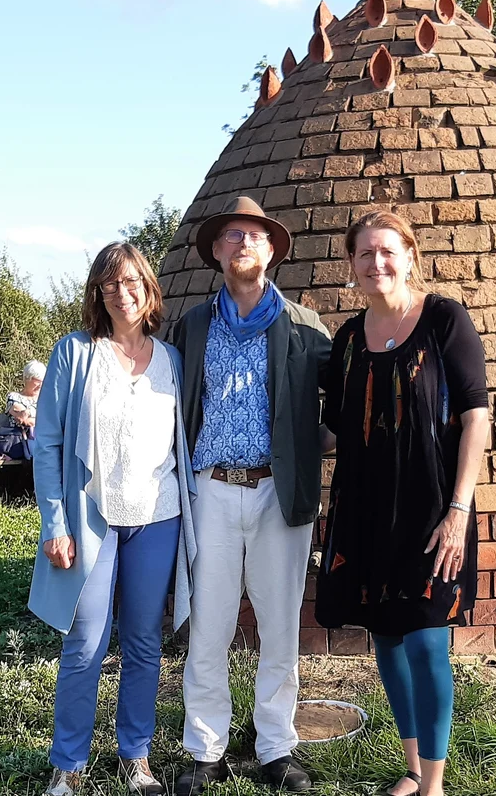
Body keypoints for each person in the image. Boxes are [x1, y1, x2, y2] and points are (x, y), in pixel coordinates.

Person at [315, 211, 490, 796]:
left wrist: (458, 512)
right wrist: (273, 440)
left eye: (388, 251)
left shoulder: (443, 320)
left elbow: (476, 418)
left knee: (427, 639)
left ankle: (434, 785)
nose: (377, 263)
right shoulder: (347, 340)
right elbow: (334, 431)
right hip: (366, 511)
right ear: (351, 264)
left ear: (410, 255)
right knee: (387, 640)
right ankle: (414, 769)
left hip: (432, 510)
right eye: (365, 253)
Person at [170, 195, 331, 795]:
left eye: (255, 236)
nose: (244, 244)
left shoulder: (304, 328)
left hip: (277, 494)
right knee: (208, 628)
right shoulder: (193, 327)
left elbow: (342, 398)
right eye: (233, 236)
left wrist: (317, 445)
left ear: (272, 251)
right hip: (211, 491)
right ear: (216, 250)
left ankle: (276, 747)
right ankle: (204, 749)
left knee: (279, 627)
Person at [28, 243, 197, 796]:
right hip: (92, 518)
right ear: (97, 294)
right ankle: (68, 764)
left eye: (131, 282)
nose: (122, 294)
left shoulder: (171, 360)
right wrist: (54, 523)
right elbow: (47, 444)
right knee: (86, 642)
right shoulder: (75, 353)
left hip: (158, 517)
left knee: (145, 642)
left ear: (149, 288)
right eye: (109, 285)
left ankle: (136, 758)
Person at [0, 360, 46, 461]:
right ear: (27, 378)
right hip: (18, 445)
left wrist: (29, 413)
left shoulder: (45, 399)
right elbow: (23, 419)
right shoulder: (14, 397)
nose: (41, 385)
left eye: (43, 381)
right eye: (38, 381)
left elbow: (48, 420)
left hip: (40, 443)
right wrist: (38, 417)